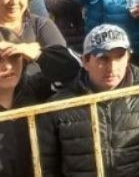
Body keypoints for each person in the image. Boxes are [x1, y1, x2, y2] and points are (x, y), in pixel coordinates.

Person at [37, 24, 139, 176]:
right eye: (103, 58)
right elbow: (46, 165)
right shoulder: (58, 106)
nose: (112, 67)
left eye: (119, 57)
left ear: (128, 57)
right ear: (85, 61)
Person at [0, 26, 80, 177]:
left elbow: (75, 70)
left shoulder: (35, 88)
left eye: (14, 56)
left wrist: (38, 55)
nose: (8, 67)